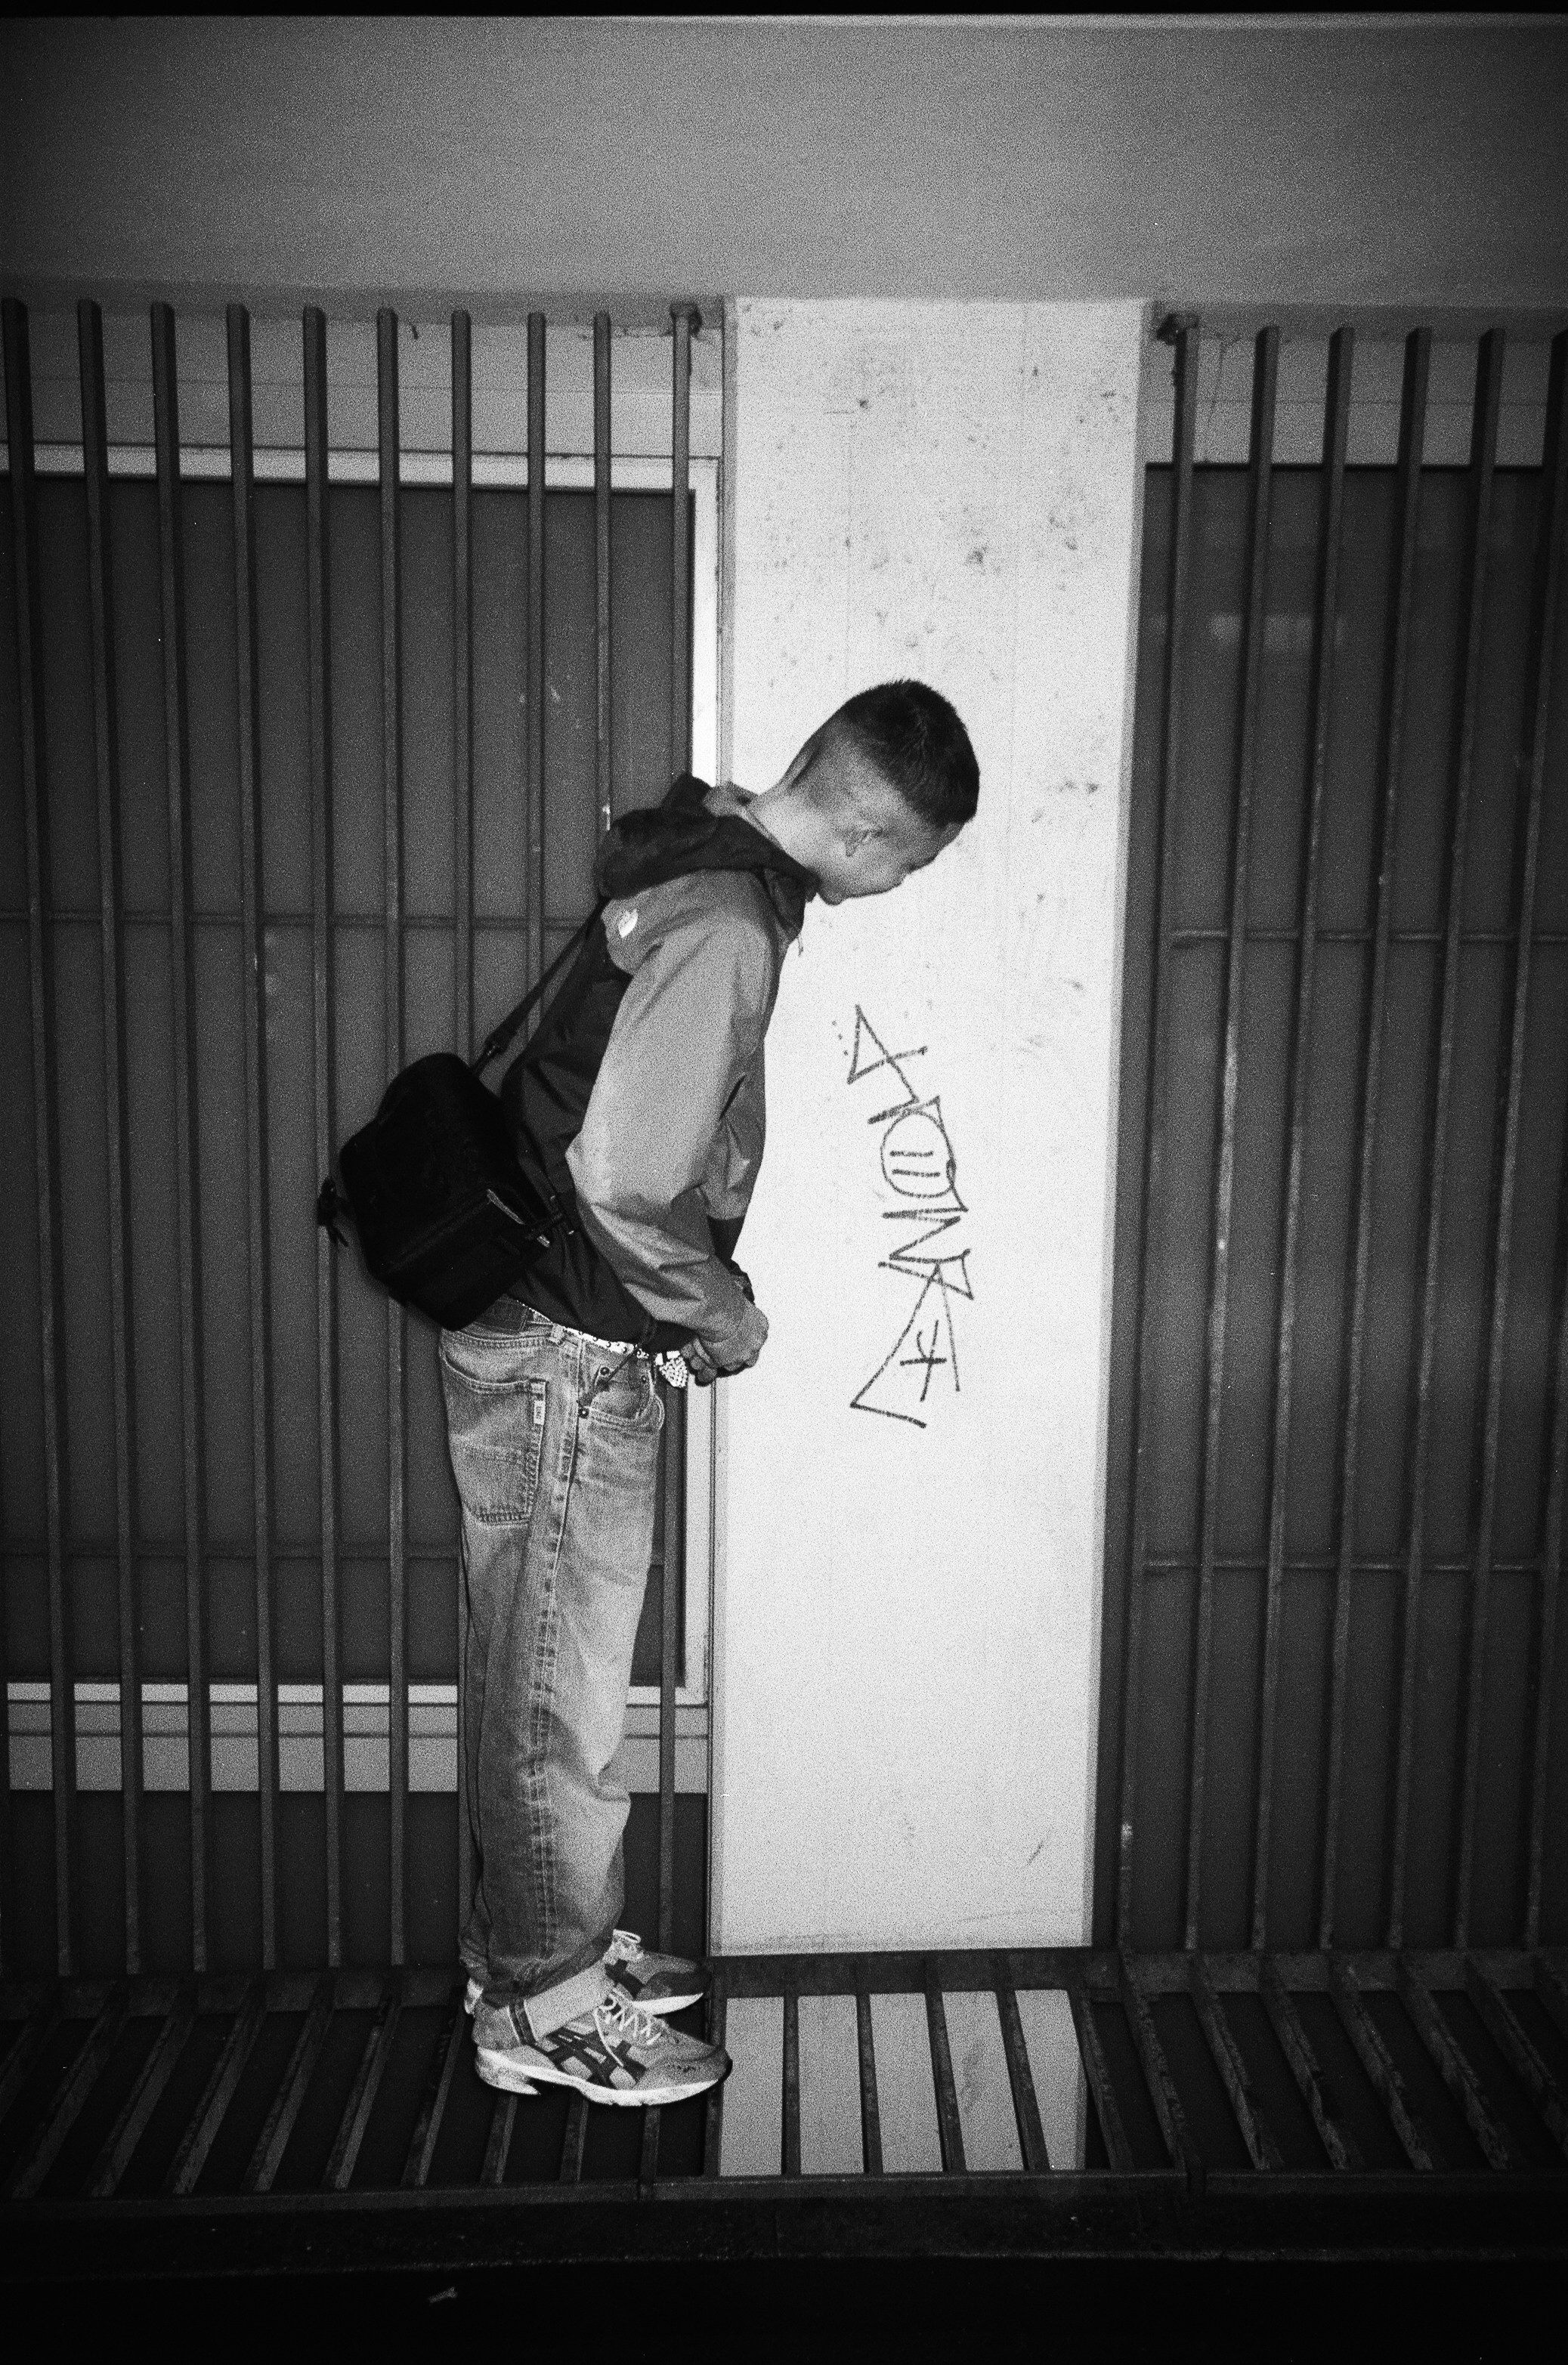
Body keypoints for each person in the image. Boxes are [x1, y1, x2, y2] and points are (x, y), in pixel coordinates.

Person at [442, 679, 979, 2108]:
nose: (892, 888)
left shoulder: (695, 850)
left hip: (542, 1325)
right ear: (864, 828)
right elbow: (623, 1177)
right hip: (571, 1348)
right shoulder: (734, 923)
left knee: (526, 1671)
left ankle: (529, 1957)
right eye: (907, 863)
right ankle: (549, 2011)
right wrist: (720, 1314)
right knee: (559, 1698)